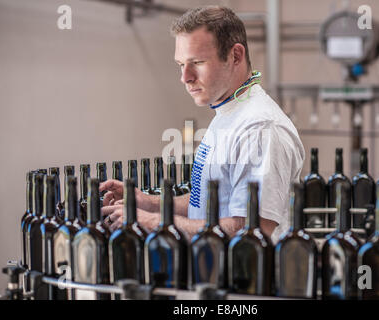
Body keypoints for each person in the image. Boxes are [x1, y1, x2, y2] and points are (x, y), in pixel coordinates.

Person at [100, 5, 304, 244]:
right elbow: (206, 203)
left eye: (197, 62)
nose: (185, 77)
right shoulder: (228, 113)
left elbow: (250, 230)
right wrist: (149, 203)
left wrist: (155, 222)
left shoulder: (260, 127)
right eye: (181, 64)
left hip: (249, 279)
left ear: (235, 55)